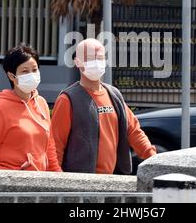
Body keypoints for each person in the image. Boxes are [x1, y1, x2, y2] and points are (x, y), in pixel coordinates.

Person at [51, 38, 156, 174]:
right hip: (80, 184)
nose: (96, 62)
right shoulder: (67, 99)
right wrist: (56, 179)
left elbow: (134, 131)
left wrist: (153, 157)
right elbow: (55, 145)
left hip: (113, 180)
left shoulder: (114, 95)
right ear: (78, 62)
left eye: (100, 58)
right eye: (90, 58)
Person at [0, 44, 61, 172]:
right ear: (12, 76)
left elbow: (49, 148)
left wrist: (58, 176)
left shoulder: (41, 104)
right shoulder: (0, 109)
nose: (31, 74)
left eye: (34, 70)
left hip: (38, 183)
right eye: (25, 71)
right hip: (7, 184)